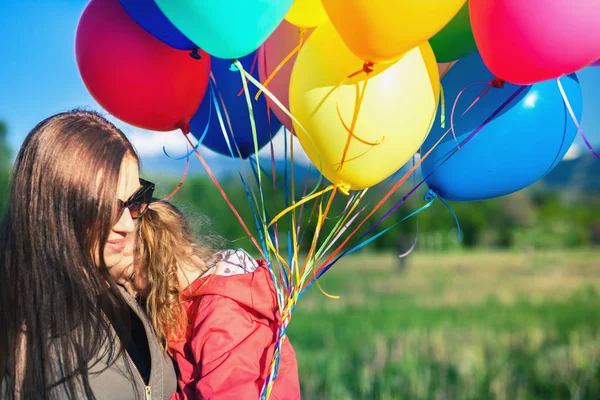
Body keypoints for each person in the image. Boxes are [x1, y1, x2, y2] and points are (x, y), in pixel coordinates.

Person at [0, 110, 177, 400]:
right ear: (54, 208)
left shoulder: (126, 287)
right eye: (107, 206)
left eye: (135, 201)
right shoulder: (21, 347)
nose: (128, 224)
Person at [132, 200, 301, 399]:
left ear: (153, 268)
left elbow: (226, 393)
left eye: (130, 276)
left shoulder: (219, 313)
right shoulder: (207, 297)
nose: (130, 287)